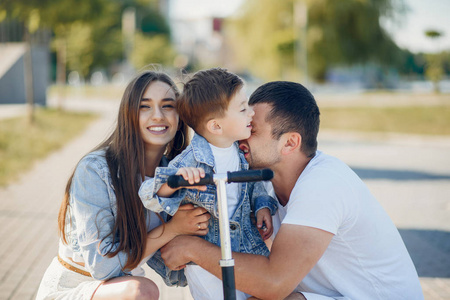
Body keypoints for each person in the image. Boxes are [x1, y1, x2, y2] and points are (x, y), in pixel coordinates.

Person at [158, 81, 424, 300]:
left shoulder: (324, 183)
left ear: (290, 143)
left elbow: (274, 283)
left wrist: (192, 248)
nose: (240, 136)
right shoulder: (262, 186)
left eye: (252, 129)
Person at [36, 70, 211, 300]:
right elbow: (103, 268)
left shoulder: (175, 177)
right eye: (144, 106)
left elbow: (175, 273)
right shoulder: (95, 170)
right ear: (129, 115)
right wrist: (173, 229)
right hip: (76, 286)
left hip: (123, 283)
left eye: (168, 106)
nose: (158, 115)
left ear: (179, 117)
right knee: (142, 290)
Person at [139, 68, 278, 300]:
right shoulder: (190, 161)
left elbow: (253, 186)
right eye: (243, 108)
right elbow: (148, 194)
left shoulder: (241, 150)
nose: (252, 112)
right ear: (216, 127)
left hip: (246, 245)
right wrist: (175, 181)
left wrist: (263, 205)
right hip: (205, 257)